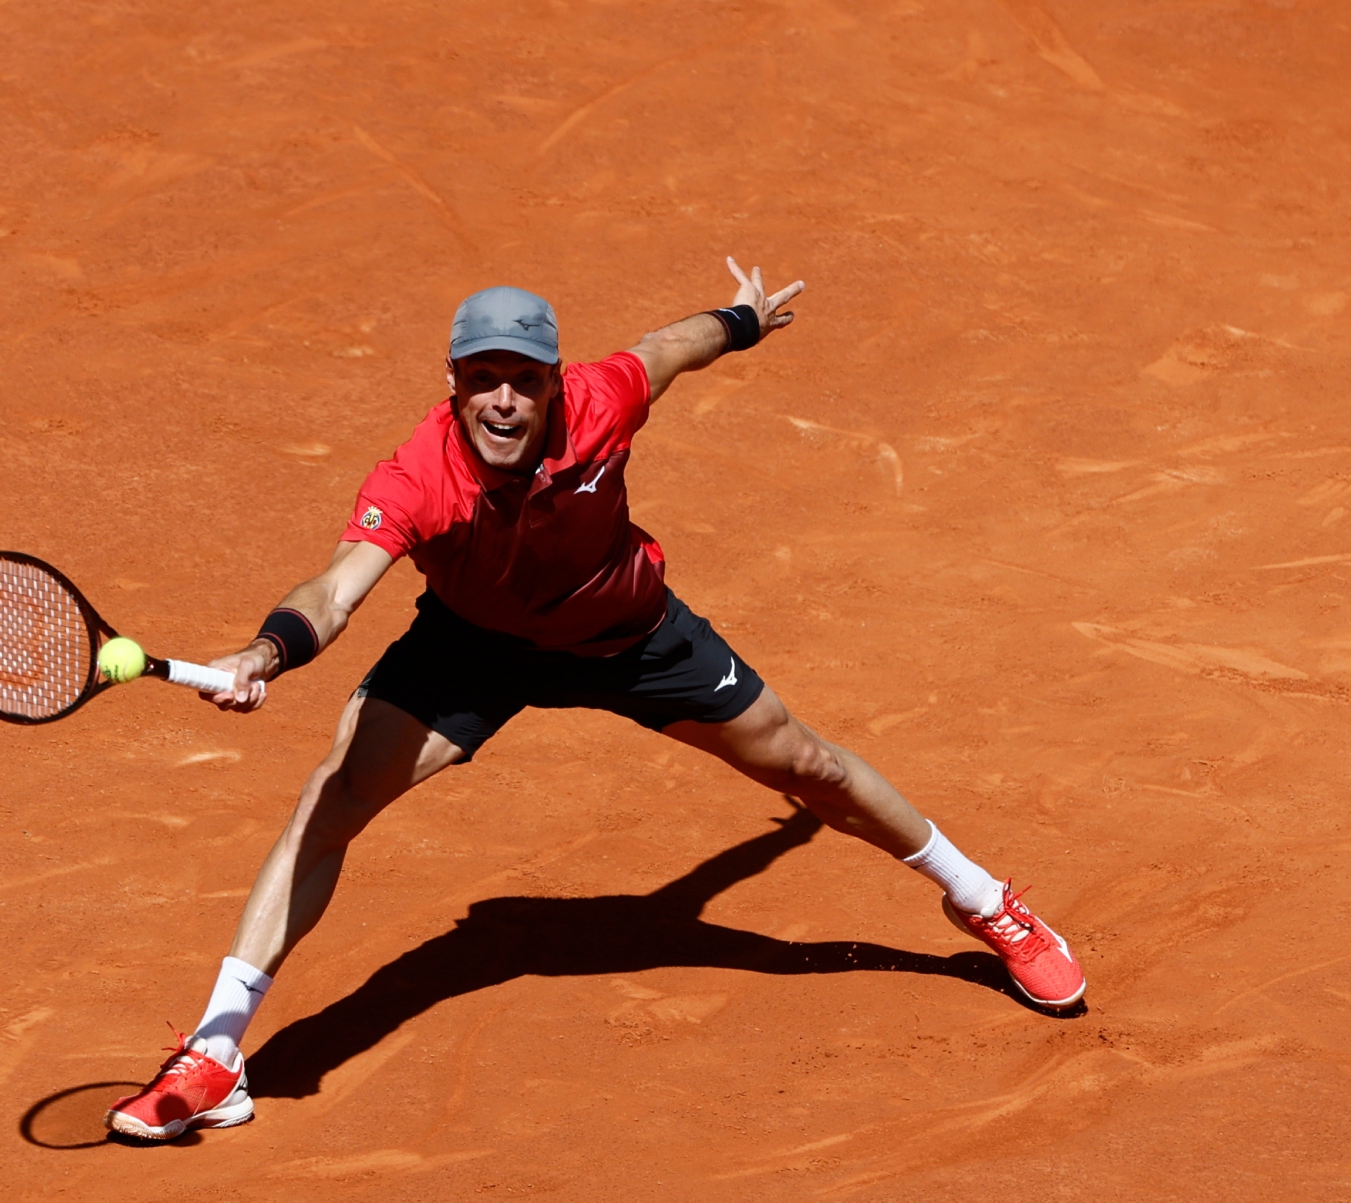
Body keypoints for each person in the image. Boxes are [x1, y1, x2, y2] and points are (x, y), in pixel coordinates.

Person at [105, 259, 1086, 1140]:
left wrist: (738, 322)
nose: (503, 401)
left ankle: (982, 900)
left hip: (630, 637)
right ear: (453, 383)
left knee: (807, 764)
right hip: (474, 648)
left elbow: (667, 350)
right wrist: (267, 652)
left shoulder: (601, 400)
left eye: (523, 381)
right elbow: (335, 588)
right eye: (482, 379)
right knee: (331, 800)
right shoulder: (417, 476)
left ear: (553, 383)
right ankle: (216, 1056)